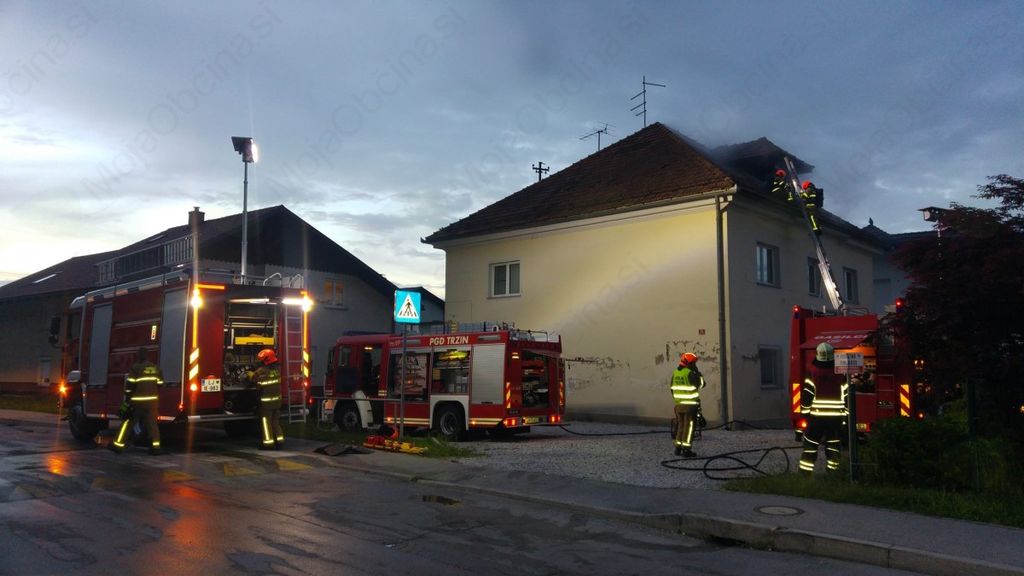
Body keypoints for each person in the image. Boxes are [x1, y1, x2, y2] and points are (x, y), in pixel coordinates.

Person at [799, 342, 847, 473]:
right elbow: (847, 395)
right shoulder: (841, 373)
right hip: (835, 419)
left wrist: (804, 415)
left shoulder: (812, 371)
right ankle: (834, 475)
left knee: (810, 447)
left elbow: (807, 396)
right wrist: (846, 418)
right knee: (833, 447)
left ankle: (804, 475)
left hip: (816, 418)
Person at [112, 347, 165, 455]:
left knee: (128, 423)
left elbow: (130, 385)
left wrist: (127, 397)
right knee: (153, 425)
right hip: (152, 403)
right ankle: (156, 448)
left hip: (137, 402)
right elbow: (160, 384)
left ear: (139, 356)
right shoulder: (156, 368)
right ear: (147, 355)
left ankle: (117, 445)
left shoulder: (136, 368)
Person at [670, 352, 706, 457]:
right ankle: (686, 450)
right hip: (690, 406)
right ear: (690, 363)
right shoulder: (690, 373)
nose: (695, 364)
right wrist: (698, 373)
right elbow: (702, 384)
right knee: (689, 427)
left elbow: (672, 388)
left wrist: (678, 400)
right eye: (694, 363)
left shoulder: (676, 373)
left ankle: (678, 448)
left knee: (681, 425)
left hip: (679, 405)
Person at [254, 348, 284, 449]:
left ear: (265, 360)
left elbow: (254, 379)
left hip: (266, 403)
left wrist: (249, 374)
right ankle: (280, 442)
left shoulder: (262, 371)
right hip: (277, 401)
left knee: (266, 423)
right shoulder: (277, 370)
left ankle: (268, 444)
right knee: (275, 422)